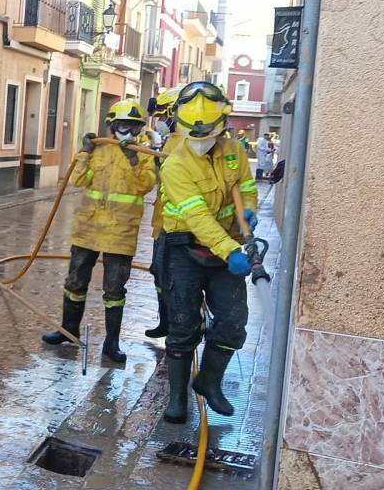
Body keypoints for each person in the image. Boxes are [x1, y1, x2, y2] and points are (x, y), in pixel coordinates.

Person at [158, 81, 258, 424]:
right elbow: (198, 217)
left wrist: (250, 210)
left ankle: (209, 381)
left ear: (222, 126)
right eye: (192, 134)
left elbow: (245, 187)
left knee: (233, 324)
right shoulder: (175, 166)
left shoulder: (235, 151)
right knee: (183, 325)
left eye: (208, 133)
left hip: (225, 251)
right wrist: (231, 251)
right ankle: (176, 399)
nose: (200, 140)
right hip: (183, 250)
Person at [41, 98, 156, 362]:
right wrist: (85, 152)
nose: (128, 130)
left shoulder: (145, 155)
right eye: (123, 124)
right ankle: (69, 330)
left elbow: (145, 186)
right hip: (88, 228)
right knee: (75, 282)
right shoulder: (98, 151)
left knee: (115, 290)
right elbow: (78, 179)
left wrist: (133, 159)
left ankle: (111, 343)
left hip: (120, 233)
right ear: (111, 125)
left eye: (133, 126)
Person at [145, 87, 182, 339]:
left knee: (170, 276)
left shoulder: (181, 145)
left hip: (176, 225)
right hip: (163, 222)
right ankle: (166, 321)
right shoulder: (171, 142)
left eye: (160, 115)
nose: (158, 121)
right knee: (159, 272)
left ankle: (177, 324)